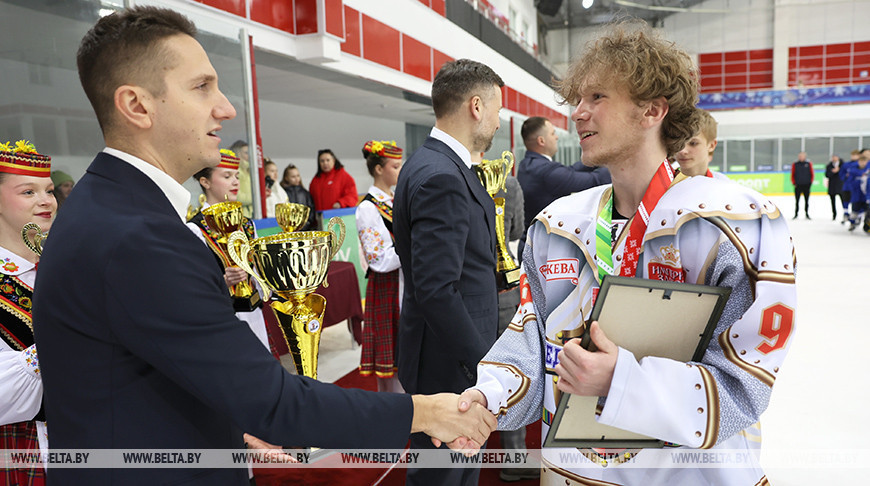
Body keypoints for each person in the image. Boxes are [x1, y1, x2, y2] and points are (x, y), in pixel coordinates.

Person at [32, 8, 496, 485]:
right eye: (201, 87)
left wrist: (234, 432)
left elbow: (146, 374)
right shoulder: (136, 236)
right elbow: (272, 399)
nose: (226, 108)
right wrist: (422, 412)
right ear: (137, 105)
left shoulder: (110, 208)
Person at [459, 20, 797, 485]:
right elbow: (532, 332)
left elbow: (744, 386)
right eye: (578, 99)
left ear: (652, 110)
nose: (578, 113)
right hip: (573, 472)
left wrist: (624, 382)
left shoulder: (736, 224)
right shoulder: (556, 224)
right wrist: (489, 396)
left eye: (598, 97)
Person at [393, 58, 503, 486]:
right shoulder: (442, 175)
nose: (496, 122)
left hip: (446, 355)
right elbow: (438, 289)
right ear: (476, 106)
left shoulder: (434, 164)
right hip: (450, 363)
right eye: (495, 110)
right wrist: (483, 365)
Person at [0, 140, 56, 486]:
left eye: (49, 190)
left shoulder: (65, 268)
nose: (46, 200)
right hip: (22, 451)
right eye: (28, 191)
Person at [187, 149, 270, 349]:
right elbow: (193, 286)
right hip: (222, 320)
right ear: (205, 182)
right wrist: (222, 282)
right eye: (226, 176)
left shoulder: (247, 225)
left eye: (237, 176)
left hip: (255, 315)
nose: (235, 182)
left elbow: (259, 271)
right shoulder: (194, 229)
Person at [516, 116, 610, 256]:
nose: (557, 138)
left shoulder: (527, 165)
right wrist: (612, 160)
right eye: (553, 133)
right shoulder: (547, 173)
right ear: (541, 141)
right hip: (543, 252)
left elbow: (569, 171)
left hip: (529, 245)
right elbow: (594, 180)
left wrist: (592, 159)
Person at [356, 140, 404, 394]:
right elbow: (380, 259)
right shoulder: (367, 208)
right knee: (389, 367)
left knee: (399, 363)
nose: (400, 170)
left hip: (401, 282)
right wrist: (413, 248)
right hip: (388, 286)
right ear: (378, 169)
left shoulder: (395, 200)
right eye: (395, 166)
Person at [674, 108, 728, 180]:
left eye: (693, 143)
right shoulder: (663, 185)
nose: (682, 150)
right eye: (678, 143)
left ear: (711, 145)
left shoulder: (724, 186)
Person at [280, 163, 317, 230]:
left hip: (305, 230)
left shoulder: (305, 193)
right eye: (293, 177)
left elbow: (311, 211)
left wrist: (306, 225)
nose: (296, 179)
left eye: (298, 176)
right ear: (286, 178)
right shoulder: (282, 193)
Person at [843, 148, 870, 231]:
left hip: (866, 195)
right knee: (855, 210)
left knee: (866, 211)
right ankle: (853, 222)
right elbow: (849, 178)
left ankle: (866, 225)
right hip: (857, 194)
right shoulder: (854, 167)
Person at [229, 140, 254, 217]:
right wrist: (257, 198)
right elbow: (237, 196)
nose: (249, 155)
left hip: (252, 213)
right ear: (238, 153)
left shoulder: (251, 172)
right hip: (240, 215)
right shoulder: (236, 172)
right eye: (246, 153)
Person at [791, 151, 814, 219]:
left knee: (807, 201)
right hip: (798, 185)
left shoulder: (808, 164)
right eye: (800, 156)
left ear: (805, 156)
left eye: (802, 156)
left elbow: (812, 174)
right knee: (797, 201)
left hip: (806, 185)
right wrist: (794, 183)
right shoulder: (795, 164)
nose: (801, 157)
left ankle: (807, 213)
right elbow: (792, 174)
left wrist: (810, 183)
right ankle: (796, 214)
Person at [826, 154, 845, 221]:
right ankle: (834, 214)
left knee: (843, 201)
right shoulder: (829, 166)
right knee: (833, 202)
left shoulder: (843, 165)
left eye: (835, 157)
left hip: (840, 186)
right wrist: (833, 171)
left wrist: (839, 170)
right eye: (833, 157)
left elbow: (845, 174)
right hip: (832, 186)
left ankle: (845, 214)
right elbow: (827, 175)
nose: (834, 158)